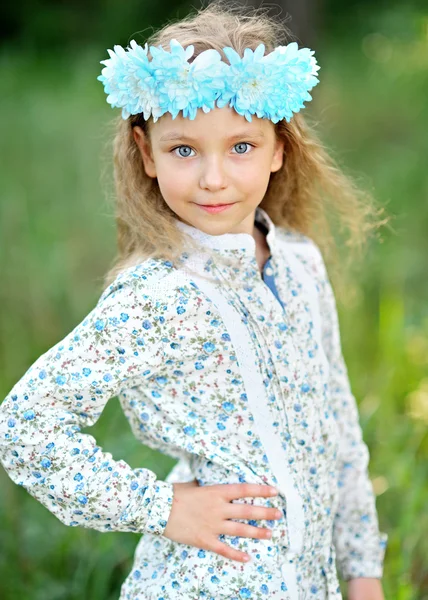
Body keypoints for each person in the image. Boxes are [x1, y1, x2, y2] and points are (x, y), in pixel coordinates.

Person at [0, 2, 389, 599]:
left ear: (278, 148)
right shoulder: (159, 293)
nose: (214, 177)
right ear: (147, 152)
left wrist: (363, 576)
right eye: (184, 149)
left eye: (241, 146)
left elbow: (337, 426)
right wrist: (164, 507)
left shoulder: (301, 264)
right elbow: (26, 425)